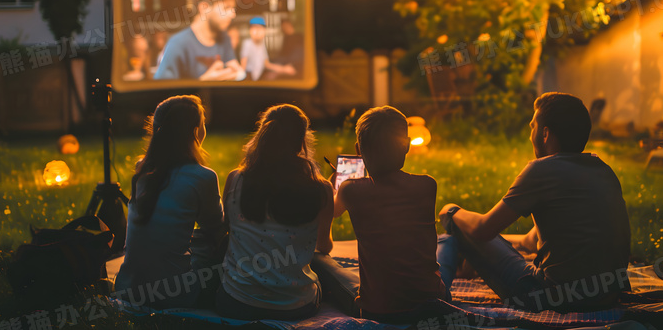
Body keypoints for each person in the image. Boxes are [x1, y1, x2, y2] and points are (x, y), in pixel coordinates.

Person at [438, 92, 631, 312]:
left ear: (545, 134)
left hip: (553, 298)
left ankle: (437, 292)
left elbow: (482, 231)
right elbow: (530, 241)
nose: (531, 136)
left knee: (457, 229)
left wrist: (451, 211)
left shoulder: (542, 169)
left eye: (533, 127)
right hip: (608, 296)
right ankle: (460, 257)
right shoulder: (603, 170)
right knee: (467, 235)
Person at [319, 106, 448, 323]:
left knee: (321, 262)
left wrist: (336, 187)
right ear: (406, 145)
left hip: (378, 311)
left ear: (358, 150)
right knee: (449, 245)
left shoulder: (350, 190)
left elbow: (332, 212)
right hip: (433, 302)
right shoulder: (427, 185)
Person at [216, 105, 334, 321]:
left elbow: (229, 229)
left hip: (236, 302)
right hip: (296, 307)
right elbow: (323, 247)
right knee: (325, 271)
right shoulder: (322, 189)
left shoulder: (236, 179)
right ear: (301, 141)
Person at [115, 95, 227, 309]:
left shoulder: (142, 169)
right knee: (223, 253)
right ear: (196, 131)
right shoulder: (202, 176)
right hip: (174, 295)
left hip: (127, 288)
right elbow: (216, 229)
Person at [154, 0, 245, 81]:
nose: (233, 15)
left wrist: (238, 74)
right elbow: (162, 93)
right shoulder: (177, 44)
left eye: (233, 9)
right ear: (204, 8)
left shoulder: (224, 38)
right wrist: (203, 83)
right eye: (226, 8)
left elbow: (236, 72)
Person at [240, 16, 296, 80]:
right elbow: (243, 67)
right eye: (254, 29)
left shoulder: (261, 44)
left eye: (260, 29)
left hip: (259, 78)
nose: (257, 32)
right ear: (250, 31)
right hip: (250, 78)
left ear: (264, 31)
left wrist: (284, 69)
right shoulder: (247, 43)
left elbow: (267, 64)